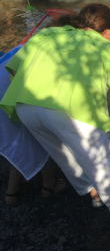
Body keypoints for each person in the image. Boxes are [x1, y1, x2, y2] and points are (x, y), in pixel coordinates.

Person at [0, 4, 110, 238]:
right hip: (69, 112)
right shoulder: (103, 46)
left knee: (65, 155)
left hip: (26, 105)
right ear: (109, 30)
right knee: (105, 168)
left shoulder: (48, 33)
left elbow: (14, 70)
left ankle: (95, 194)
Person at [0, 46, 68, 207]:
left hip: (4, 100)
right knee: (40, 140)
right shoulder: (45, 51)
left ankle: (13, 191)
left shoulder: (23, 49)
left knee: (17, 144)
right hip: (5, 103)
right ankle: (49, 186)